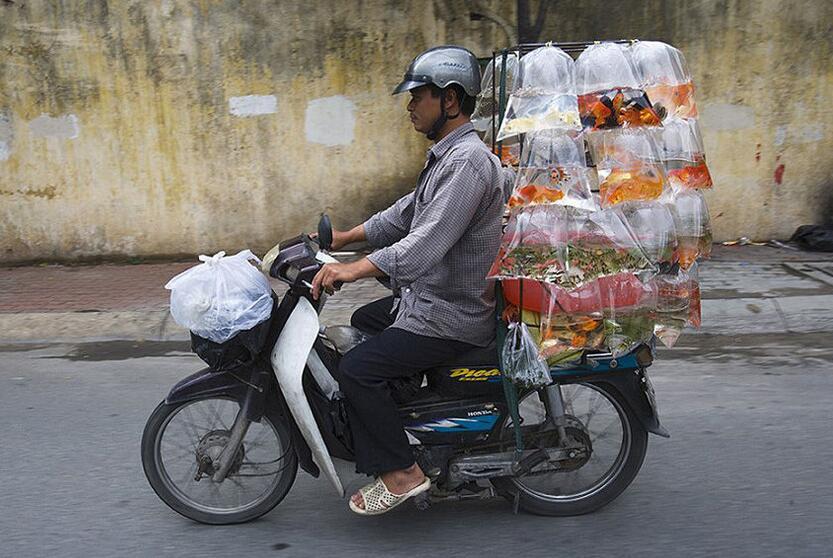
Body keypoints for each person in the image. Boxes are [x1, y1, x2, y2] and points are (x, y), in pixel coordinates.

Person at [310, 45, 505, 515]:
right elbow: (404, 214)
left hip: (452, 314)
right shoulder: (447, 157)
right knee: (363, 320)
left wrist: (353, 269)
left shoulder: (468, 165)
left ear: (451, 100)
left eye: (419, 96)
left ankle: (402, 473)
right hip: (429, 299)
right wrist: (344, 237)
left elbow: (424, 244)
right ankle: (414, 418)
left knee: (359, 370)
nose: (410, 106)